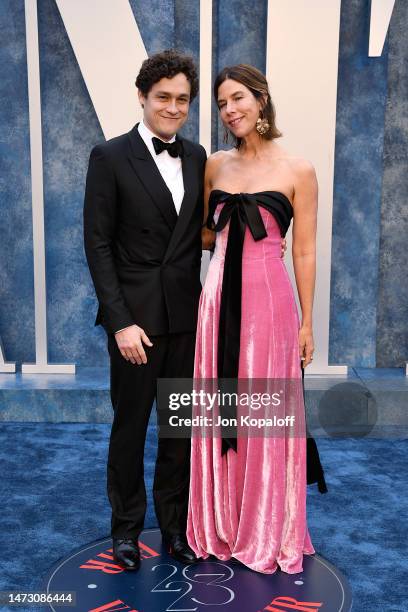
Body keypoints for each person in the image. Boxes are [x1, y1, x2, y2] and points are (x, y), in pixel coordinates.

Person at [187, 64, 327, 574]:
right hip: (218, 300)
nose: (231, 110)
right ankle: (221, 521)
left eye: (239, 98)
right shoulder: (215, 166)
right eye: (223, 103)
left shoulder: (299, 169)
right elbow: (205, 237)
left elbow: (305, 254)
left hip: (270, 306)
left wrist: (308, 322)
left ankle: (267, 526)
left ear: (262, 99)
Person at [83, 50, 207, 571]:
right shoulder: (109, 156)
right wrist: (120, 322)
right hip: (135, 323)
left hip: (186, 318)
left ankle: (174, 528)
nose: (173, 108)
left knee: (179, 430)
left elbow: (195, 233)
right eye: (163, 97)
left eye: (182, 99)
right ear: (142, 96)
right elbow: (98, 244)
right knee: (130, 427)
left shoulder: (199, 156)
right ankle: (127, 531)